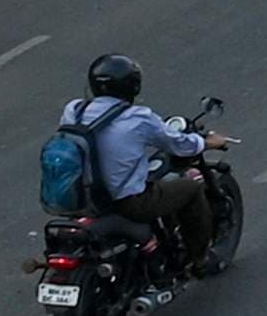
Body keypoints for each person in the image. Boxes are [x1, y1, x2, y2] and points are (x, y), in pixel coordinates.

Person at [68, 53, 229, 272]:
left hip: (80, 199)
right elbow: (178, 143)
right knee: (190, 189)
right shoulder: (138, 118)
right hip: (128, 202)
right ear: (132, 86)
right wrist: (206, 142)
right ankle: (199, 259)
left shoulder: (74, 111)